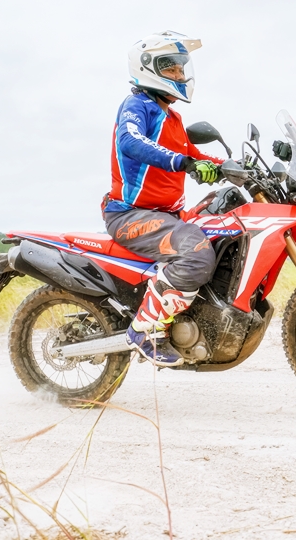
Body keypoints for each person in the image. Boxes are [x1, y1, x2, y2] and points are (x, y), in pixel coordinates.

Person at [103, 31, 224, 367]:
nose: (180, 75)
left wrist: (232, 167)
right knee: (196, 255)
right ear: (148, 68)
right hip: (130, 214)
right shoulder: (137, 105)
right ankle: (144, 330)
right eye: (171, 68)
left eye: (181, 68)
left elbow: (194, 155)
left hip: (166, 215)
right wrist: (184, 163)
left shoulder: (173, 117)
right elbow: (130, 141)